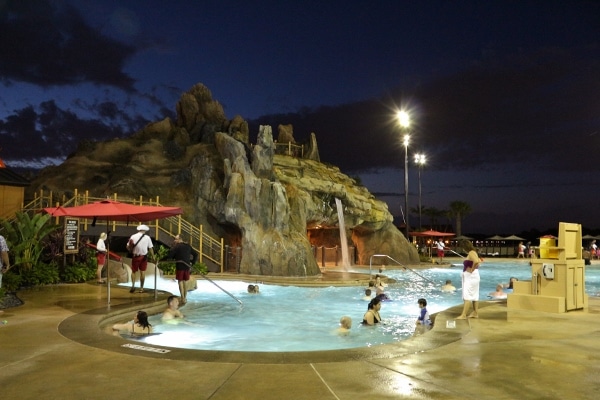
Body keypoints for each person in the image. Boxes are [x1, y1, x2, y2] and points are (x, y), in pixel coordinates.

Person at [167, 234, 198, 304]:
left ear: (179, 239)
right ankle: (185, 298)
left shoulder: (176, 247)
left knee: (180, 281)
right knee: (185, 281)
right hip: (187, 265)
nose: (175, 240)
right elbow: (196, 254)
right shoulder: (188, 246)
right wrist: (192, 262)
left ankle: (182, 297)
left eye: (176, 239)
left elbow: (170, 256)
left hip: (180, 265)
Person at [456, 240, 482, 319]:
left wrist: (472, 269)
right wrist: (474, 268)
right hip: (473, 276)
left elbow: (477, 261)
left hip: (470, 277)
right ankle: (475, 313)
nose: (463, 249)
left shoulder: (471, 252)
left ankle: (464, 315)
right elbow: (479, 261)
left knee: (467, 295)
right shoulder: (473, 252)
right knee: (474, 295)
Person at [127, 224, 155, 294]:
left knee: (133, 271)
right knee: (142, 272)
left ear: (138, 229)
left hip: (135, 256)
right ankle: (141, 288)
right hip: (144, 257)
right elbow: (150, 248)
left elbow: (127, 246)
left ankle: (133, 286)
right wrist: (153, 257)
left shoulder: (133, 236)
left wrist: (130, 250)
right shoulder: (147, 237)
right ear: (145, 230)